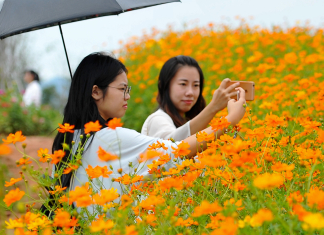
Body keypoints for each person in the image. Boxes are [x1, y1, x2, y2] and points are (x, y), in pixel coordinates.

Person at [50, 52, 246, 202]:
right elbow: (178, 151)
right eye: (122, 89)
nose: (127, 96)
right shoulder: (112, 138)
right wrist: (232, 118)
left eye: (128, 89)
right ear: (95, 92)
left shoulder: (67, 141)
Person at [141, 55, 241, 140]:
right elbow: (174, 147)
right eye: (183, 84)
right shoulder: (158, 119)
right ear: (164, 86)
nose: (190, 92)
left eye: (196, 85)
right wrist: (215, 107)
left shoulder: (187, 121)